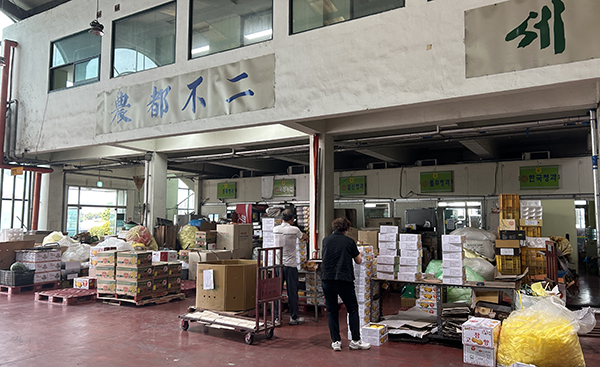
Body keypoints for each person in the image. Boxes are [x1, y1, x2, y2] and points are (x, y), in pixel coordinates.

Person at [321, 217, 371, 351]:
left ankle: (336, 341)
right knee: (352, 309)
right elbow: (358, 261)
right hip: (344, 279)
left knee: (332, 310)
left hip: (327, 279)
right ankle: (355, 340)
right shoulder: (349, 242)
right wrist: (359, 253)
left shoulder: (326, 240)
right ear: (346, 229)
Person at [273, 209, 309, 325]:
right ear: (292, 219)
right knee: (292, 292)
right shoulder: (294, 230)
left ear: (281, 219)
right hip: (290, 266)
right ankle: (294, 317)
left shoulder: (275, 229)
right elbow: (304, 238)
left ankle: (277, 318)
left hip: (278, 265)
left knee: (277, 292)